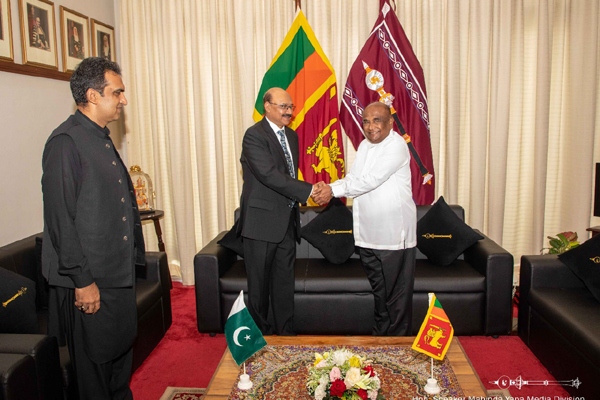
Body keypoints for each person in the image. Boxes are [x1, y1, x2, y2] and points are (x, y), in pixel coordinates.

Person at [41, 57, 145, 399]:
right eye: (117, 92)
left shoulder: (99, 136)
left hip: (116, 276)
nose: (123, 100)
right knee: (95, 377)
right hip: (90, 282)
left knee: (119, 365)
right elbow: (60, 220)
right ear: (92, 95)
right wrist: (82, 282)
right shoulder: (65, 142)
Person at [312, 102, 417, 336]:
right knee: (380, 295)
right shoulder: (364, 145)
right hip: (368, 235)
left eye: (377, 120)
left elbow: (371, 180)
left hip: (393, 236)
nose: (371, 127)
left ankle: (398, 349)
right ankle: (380, 342)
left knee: (397, 299)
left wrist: (332, 190)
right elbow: (353, 178)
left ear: (391, 122)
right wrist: (329, 187)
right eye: (366, 121)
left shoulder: (397, 146)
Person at [238, 87, 323, 336]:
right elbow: (269, 175)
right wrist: (310, 190)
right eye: (283, 106)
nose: (288, 112)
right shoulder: (254, 136)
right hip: (261, 223)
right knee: (259, 288)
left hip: (287, 222)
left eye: (291, 107)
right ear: (267, 106)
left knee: (284, 284)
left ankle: (285, 335)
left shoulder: (292, 136)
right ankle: (260, 338)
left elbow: (288, 176)